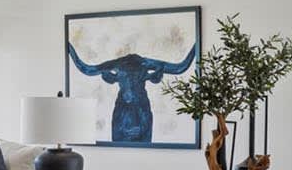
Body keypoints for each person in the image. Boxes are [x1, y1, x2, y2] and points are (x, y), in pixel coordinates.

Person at [65, 39, 196, 143]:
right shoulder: (121, 110)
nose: (131, 89)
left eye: (137, 79)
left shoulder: (143, 108)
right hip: (124, 112)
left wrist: (142, 128)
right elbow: (179, 67)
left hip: (141, 110)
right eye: (124, 78)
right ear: (112, 78)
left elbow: (181, 67)